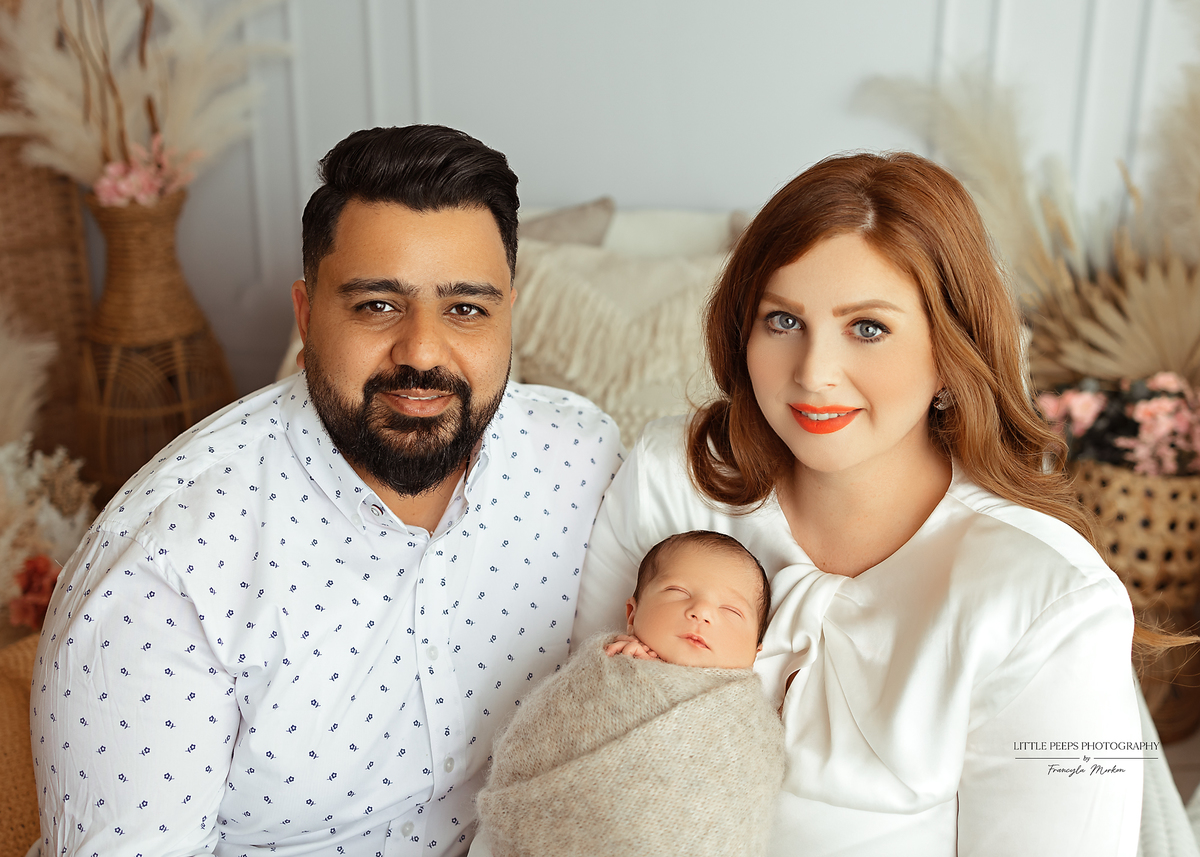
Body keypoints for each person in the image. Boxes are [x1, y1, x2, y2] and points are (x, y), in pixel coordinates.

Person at [30, 125, 623, 857]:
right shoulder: (167, 564)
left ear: (509, 316)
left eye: (466, 308)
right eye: (377, 305)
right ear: (307, 316)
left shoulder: (580, 460)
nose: (422, 351)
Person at [573, 152, 1144, 856]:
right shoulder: (669, 478)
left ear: (951, 355)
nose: (814, 374)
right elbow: (574, 739)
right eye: (783, 320)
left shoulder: (1048, 597)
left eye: (868, 327)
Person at [474, 530, 783, 857]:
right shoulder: (606, 670)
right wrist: (621, 670)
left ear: (755, 652)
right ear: (632, 615)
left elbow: (743, 798)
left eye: (731, 611)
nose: (701, 611)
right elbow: (533, 743)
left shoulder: (750, 724)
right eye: (678, 591)